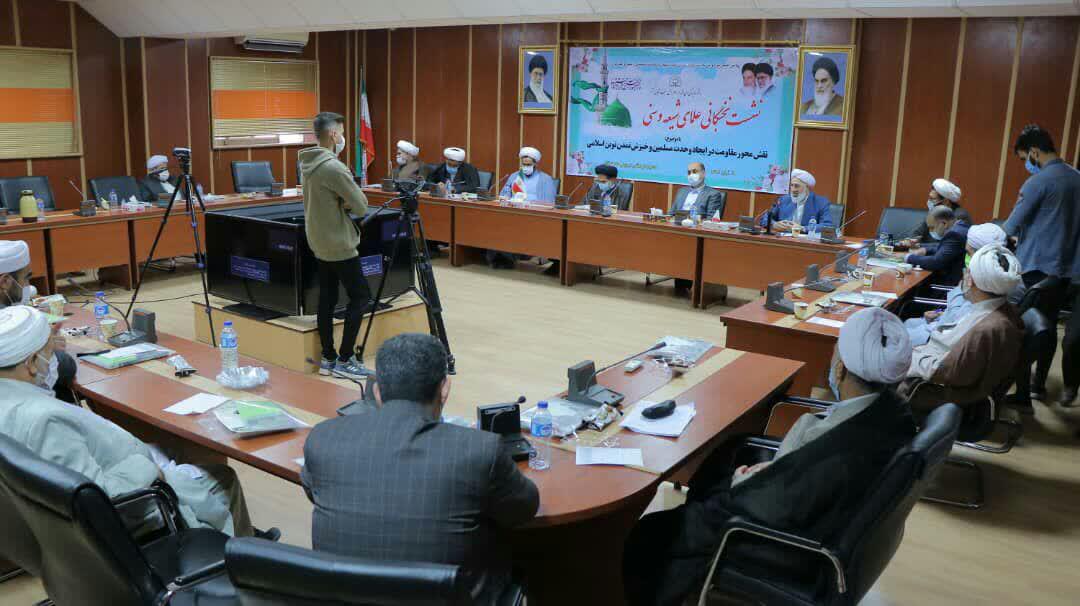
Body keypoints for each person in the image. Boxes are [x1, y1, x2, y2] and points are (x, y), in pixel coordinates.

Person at [623, 307, 916, 606]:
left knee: (650, 532)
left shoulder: (840, 452)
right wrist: (776, 469)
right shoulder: (891, 417)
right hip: (811, 515)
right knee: (725, 455)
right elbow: (801, 483)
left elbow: (776, 502)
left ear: (840, 369)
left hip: (769, 541)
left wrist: (745, 482)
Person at [302, 333, 539, 602]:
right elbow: (525, 508)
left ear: (377, 391)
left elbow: (313, 490)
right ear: (444, 389)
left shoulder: (323, 438)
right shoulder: (479, 449)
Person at [0, 306, 257, 536]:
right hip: (138, 510)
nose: (55, 359)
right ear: (31, 363)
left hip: (73, 504)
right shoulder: (46, 421)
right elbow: (92, 499)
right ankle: (243, 558)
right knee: (223, 477)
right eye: (50, 352)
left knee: (174, 450)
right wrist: (146, 469)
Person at [1003, 124, 1080, 404]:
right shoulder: (1077, 177)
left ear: (1035, 152)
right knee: (1046, 326)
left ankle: (1023, 394)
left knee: (1024, 329)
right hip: (1066, 271)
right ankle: (1039, 384)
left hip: (1036, 268)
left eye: (1025, 158)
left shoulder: (1038, 182)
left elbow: (1011, 225)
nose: (1027, 164)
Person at [298, 112, 375, 380]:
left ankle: (328, 358)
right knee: (361, 296)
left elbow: (327, 198)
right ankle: (345, 359)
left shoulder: (307, 162)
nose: (343, 137)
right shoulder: (333, 167)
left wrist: (340, 202)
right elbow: (361, 206)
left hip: (319, 240)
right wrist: (345, 203)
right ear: (333, 135)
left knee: (327, 298)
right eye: (341, 133)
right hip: (340, 244)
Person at [907, 244, 1023, 385]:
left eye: (967, 272)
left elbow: (944, 371)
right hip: (932, 357)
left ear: (970, 281)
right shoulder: (1001, 308)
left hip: (929, 387)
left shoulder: (984, 329)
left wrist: (910, 357)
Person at [904, 223, 1008, 346]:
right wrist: (940, 312)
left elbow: (960, 321)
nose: (966, 257)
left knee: (896, 334)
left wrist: (963, 284)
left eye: (968, 253)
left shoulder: (983, 282)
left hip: (942, 335)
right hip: (945, 320)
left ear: (981, 255)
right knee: (908, 322)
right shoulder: (990, 274)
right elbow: (961, 311)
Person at [0, 241, 76, 404]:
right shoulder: (9, 325)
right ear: (5, 281)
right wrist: (47, 348)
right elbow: (65, 367)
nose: (28, 286)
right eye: (26, 278)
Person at [669, 162, 725, 295]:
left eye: (695, 171)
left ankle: (684, 285)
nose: (691, 175)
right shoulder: (682, 191)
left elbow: (711, 220)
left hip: (695, 236)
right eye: (689, 172)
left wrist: (694, 220)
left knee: (684, 249)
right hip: (676, 231)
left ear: (703, 174)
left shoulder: (713, 194)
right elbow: (671, 214)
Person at [905, 205, 969, 287]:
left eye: (932, 227)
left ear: (944, 223)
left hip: (945, 286)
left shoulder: (954, 234)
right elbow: (943, 246)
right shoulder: (960, 227)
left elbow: (936, 262)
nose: (930, 231)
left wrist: (908, 257)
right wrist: (923, 248)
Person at [901, 178, 972, 246]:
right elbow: (918, 232)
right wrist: (910, 241)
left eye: (932, 199)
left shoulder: (959, 216)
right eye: (929, 197)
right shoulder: (936, 212)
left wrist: (920, 246)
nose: (929, 201)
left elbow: (946, 245)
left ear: (946, 201)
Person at [759, 168, 833, 231]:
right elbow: (764, 219)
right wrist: (774, 224)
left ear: (807, 188)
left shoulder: (821, 203)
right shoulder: (783, 200)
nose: (793, 189)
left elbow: (827, 226)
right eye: (791, 185)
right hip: (783, 238)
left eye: (797, 186)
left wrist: (803, 228)